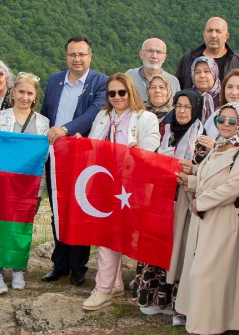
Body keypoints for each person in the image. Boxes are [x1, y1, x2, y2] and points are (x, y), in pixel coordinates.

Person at [174, 103, 239, 335]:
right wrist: (189, 181)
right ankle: (200, 318)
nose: (226, 125)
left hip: (224, 219)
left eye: (233, 121)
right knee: (198, 268)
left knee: (212, 273)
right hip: (205, 218)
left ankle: (214, 327)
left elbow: (234, 188)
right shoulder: (217, 147)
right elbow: (204, 177)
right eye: (222, 120)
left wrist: (201, 203)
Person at [82, 75, 163, 312]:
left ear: (131, 92)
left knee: (129, 234)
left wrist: (139, 150)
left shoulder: (146, 117)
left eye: (121, 92)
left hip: (132, 184)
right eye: (112, 93)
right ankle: (108, 286)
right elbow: (92, 144)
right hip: (105, 182)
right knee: (106, 233)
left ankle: (112, 284)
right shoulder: (102, 116)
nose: (117, 97)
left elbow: (152, 144)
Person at [129, 89, 204, 316]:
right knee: (155, 248)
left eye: (187, 107)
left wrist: (190, 174)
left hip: (182, 203)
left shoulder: (202, 138)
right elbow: (152, 160)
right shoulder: (165, 130)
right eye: (178, 106)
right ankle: (151, 298)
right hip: (159, 201)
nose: (181, 111)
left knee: (177, 251)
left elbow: (204, 172)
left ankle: (175, 304)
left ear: (196, 109)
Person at [40, 37, 108, 285]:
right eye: (72, 54)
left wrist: (65, 129)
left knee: (80, 209)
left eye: (81, 54)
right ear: (66, 56)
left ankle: (79, 266)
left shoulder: (100, 82)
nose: (77, 59)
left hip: (82, 156)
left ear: (90, 55)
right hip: (55, 155)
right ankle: (60, 264)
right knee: (58, 209)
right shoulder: (54, 80)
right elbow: (46, 113)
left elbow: (94, 113)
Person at [0, 71, 51, 294]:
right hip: (3, 185)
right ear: (13, 93)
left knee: (23, 228)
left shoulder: (43, 123)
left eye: (29, 93)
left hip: (31, 187)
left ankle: (19, 269)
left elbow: (46, 155)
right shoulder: (0, 118)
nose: (24, 96)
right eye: (21, 91)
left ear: (35, 97)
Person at [175, 16, 239, 89]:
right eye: (209, 31)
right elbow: (178, 90)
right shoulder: (188, 59)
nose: (213, 35)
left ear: (226, 36)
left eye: (218, 31)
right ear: (204, 34)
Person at [189, 56, 221, 123]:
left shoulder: (223, 97)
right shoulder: (187, 97)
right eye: (197, 72)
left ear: (214, 73)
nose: (202, 75)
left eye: (207, 71)